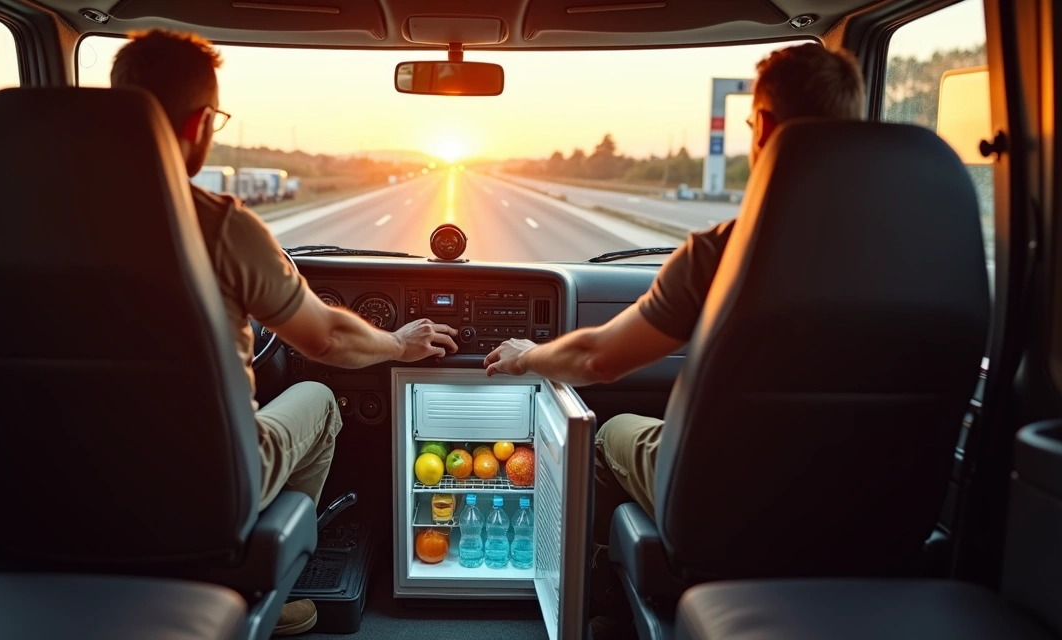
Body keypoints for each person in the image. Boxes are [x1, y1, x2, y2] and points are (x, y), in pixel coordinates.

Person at [482, 43, 866, 635]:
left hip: (740, 504)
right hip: (873, 509)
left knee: (609, 431)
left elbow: (596, 359)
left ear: (762, 127)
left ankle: (599, 606)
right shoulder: (935, 248)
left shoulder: (722, 253)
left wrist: (526, 356)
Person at [110, 30, 459, 636]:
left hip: (52, 480)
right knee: (321, 399)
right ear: (198, 127)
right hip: (200, 484)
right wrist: (399, 344)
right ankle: (256, 580)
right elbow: (327, 340)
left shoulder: (5, 220)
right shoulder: (219, 226)